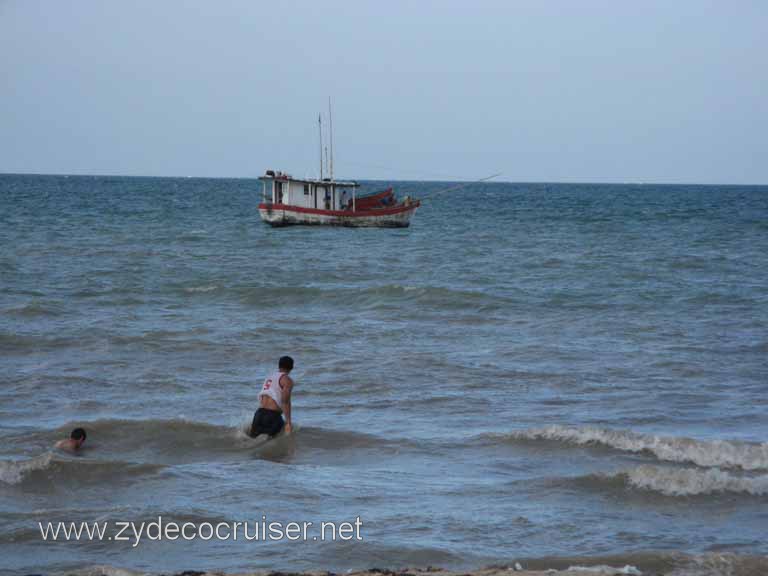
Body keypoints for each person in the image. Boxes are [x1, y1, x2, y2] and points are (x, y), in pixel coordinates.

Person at [249, 356, 295, 438]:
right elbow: (285, 401)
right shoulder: (287, 380)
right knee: (272, 445)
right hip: (272, 416)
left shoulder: (269, 377)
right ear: (291, 367)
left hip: (259, 414)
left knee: (253, 442)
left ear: (279, 366)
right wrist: (288, 422)